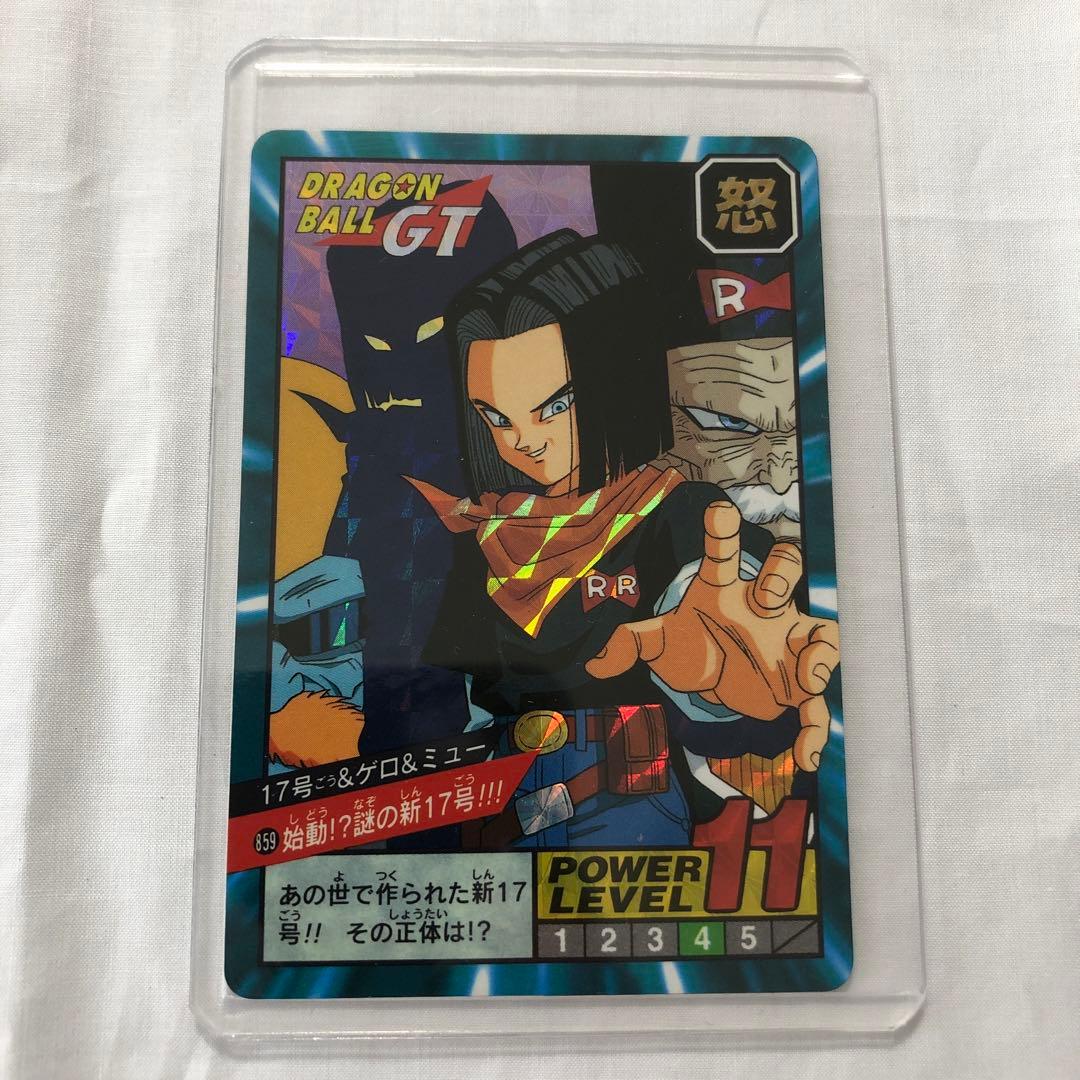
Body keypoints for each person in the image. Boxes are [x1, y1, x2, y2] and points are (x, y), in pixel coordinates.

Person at [410, 229, 838, 849]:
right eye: (496, 417)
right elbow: (456, 690)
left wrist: (726, 669)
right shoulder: (489, 534)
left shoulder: (680, 511)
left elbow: (720, 603)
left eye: (555, 405)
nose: (522, 441)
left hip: (625, 789)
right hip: (502, 791)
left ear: (617, 380)